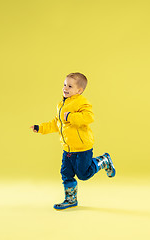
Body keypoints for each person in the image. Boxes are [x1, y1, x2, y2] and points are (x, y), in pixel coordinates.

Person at [30, 72, 116, 210]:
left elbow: (89, 117)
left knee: (83, 174)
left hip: (82, 148)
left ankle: (104, 160)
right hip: (68, 149)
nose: (65, 88)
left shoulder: (81, 102)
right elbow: (56, 123)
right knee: (66, 173)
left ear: (79, 90)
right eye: (64, 84)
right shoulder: (61, 105)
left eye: (70, 86)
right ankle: (70, 199)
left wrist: (71, 116)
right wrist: (40, 128)